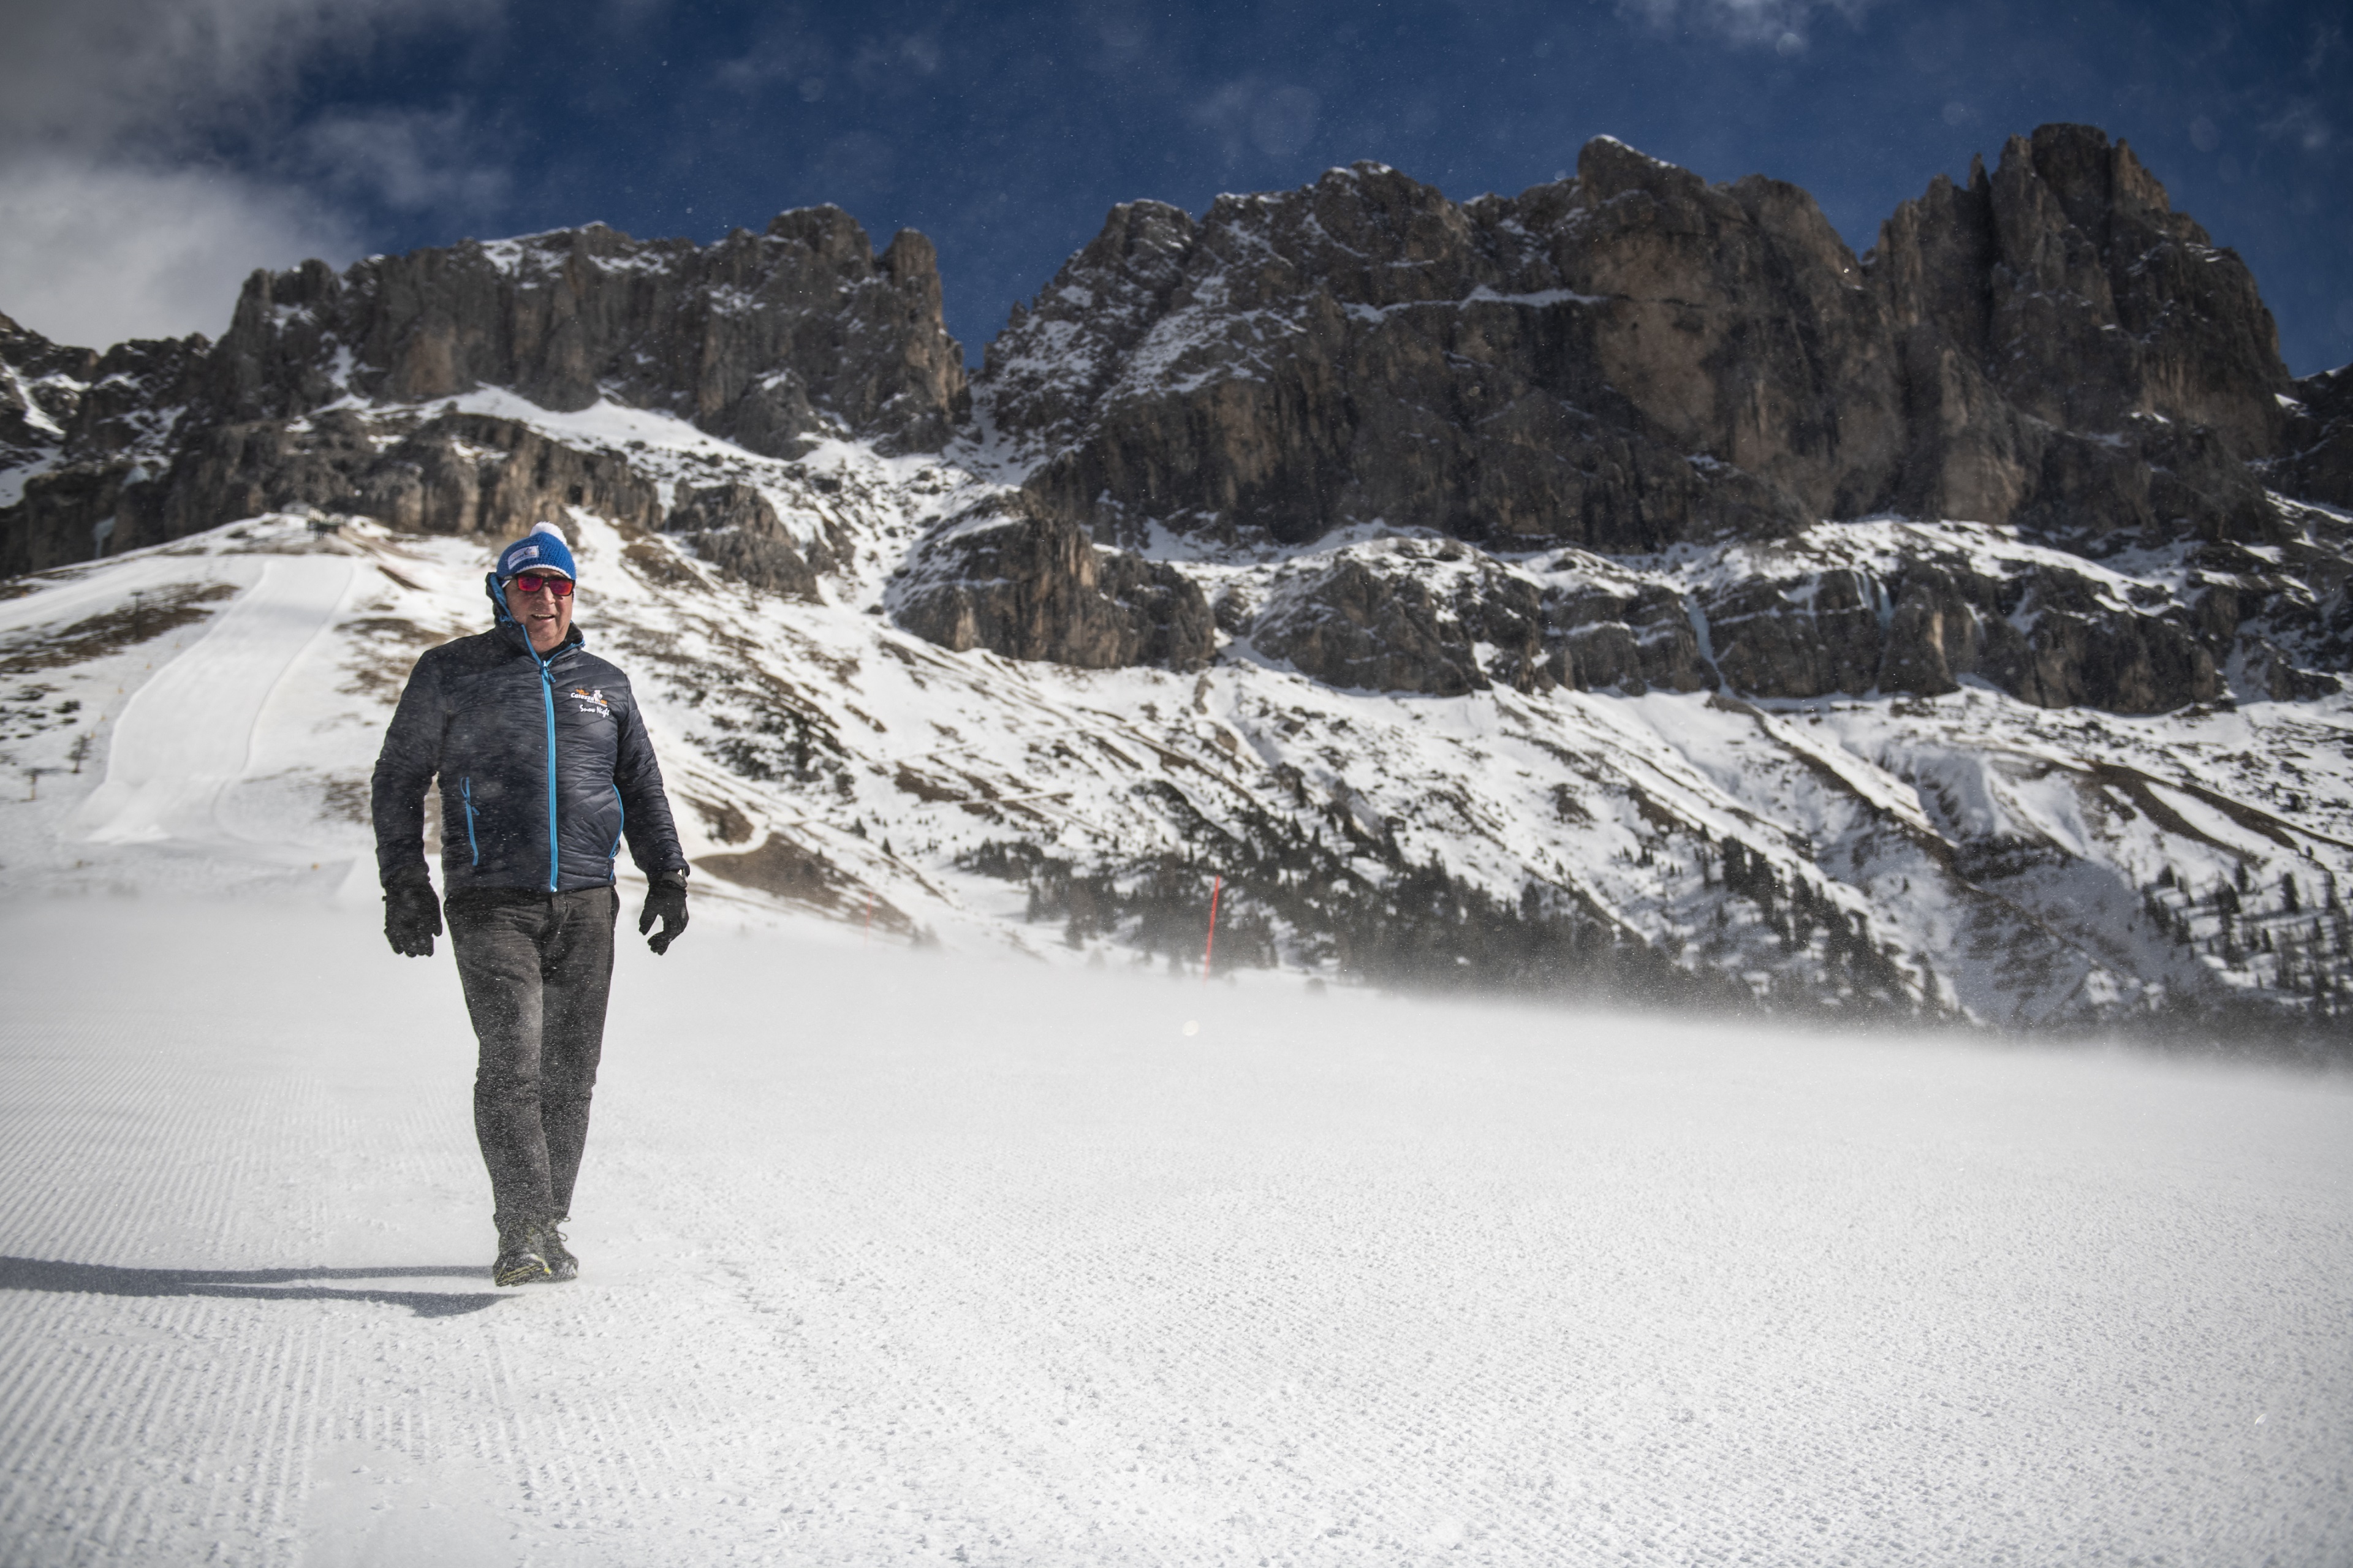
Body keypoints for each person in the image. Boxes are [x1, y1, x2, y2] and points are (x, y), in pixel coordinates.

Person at [371, 521, 691, 1287]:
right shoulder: (450, 672)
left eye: (557, 584)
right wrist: (404, 884)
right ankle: (521, 1227)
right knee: (512, 1061)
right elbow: (398, 778)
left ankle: (548, 1220)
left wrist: (669, 877)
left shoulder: (605, 683)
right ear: (501, 594)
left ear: (573, 593)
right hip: (490, 901)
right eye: (527, 584)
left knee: (571, 1073)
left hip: (587, 901)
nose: (543, 597)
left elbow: (640, 784)